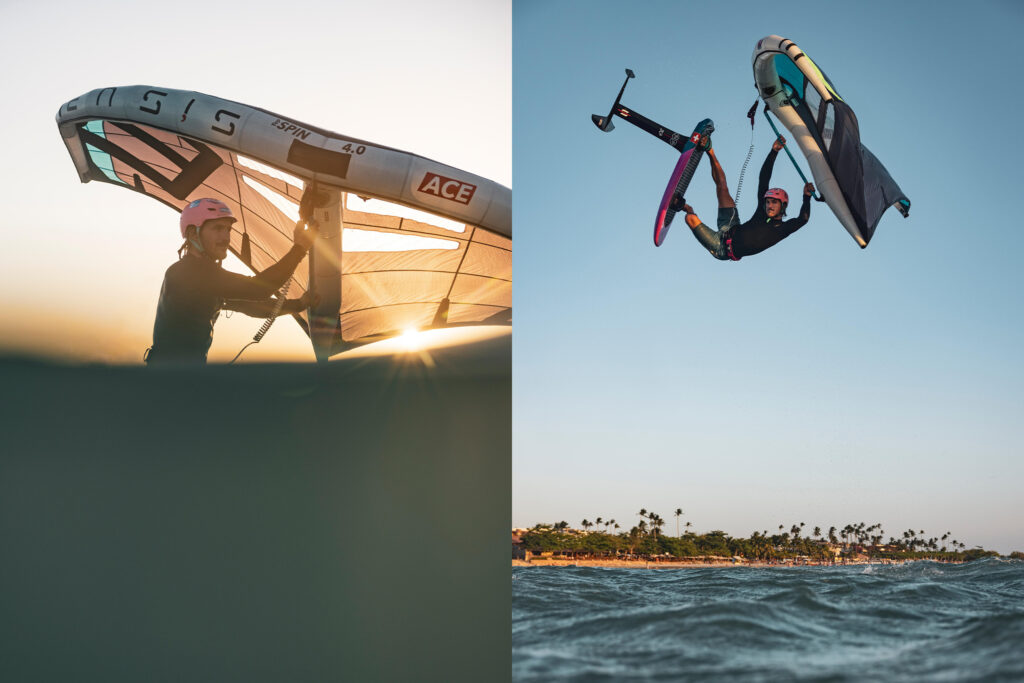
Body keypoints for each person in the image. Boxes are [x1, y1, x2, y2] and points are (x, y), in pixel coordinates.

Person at [144, 198, 318, 365]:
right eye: (218, 228)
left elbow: (251, 305)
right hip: (170, 380)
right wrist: (300, 248)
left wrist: (299, 304)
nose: (226, 238)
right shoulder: (188, 272)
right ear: (192, 234)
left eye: (228, 230)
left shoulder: (206, 277)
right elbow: (257, 289)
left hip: (184, 376)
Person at [678, 134, 815, 261]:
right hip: (731, 225)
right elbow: (763, 179)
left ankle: (686, 208)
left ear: (783, 206)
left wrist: (806, 197)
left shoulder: (782, 229)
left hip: (721, 247)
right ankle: (709, 150)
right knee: (722, 188)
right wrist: (774, 151)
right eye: (767, 202)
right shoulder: (762, 212)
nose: (769, 205)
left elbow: (803, 219)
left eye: (774, 202)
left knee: (690, 218)